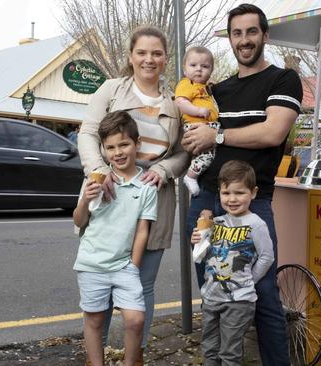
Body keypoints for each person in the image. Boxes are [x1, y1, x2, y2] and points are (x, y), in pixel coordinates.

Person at [181, 4, 303, 365]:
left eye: (251, 32)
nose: (244, 40)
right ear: (230, 38)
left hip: (253, 205)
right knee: (213, 293)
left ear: (265, 35)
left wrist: (215, 135)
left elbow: (273, 131)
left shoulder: (283, 80)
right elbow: (184, 118)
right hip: (205, 200)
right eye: (237, 33)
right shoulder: (217, 90)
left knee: (263, 295)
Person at [77, 26, 188, 364]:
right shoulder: (111, 89)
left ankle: (134, 355)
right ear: (131, 56)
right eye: (142, 52)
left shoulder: (175, 103)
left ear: (166, 59)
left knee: (142, 285)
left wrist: (165, 170)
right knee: (104, 278)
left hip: (152, 197)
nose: (149, 59)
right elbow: (87, 133)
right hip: (109, 196)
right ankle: (97, 353)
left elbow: (184, 152)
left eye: (156, 53)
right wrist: (99, 171)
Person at [73, 111, 156, 366]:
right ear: (103, 150)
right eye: (110, 147)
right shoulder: (95, 181)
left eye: (123, 144)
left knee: (135, 319)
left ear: (136, 144)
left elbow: (143, 230)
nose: (117, 152)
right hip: (91, 264)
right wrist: (86, 199)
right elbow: (79, 221)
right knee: (95, 319)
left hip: (124, 266)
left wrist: (133, 265)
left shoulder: (147, 186)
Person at [191, 160, 274, 366]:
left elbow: (267, 257)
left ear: (253, 193)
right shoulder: (216, 223)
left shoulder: (256, 224)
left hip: (238, 302)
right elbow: (200, 257)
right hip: (211, 298)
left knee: (229, 353)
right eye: (226, 193)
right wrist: (199, 241)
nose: (232, 199)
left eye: (239, 193)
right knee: (210, 349)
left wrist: (249, 281)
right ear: (219, 193)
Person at [174, 46, 219, 197]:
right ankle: (191, 176)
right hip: (195, 125)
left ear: (211, 70)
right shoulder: (187, 83)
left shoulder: (205, 87)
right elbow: (181, 102)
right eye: (193, 65)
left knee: (209, 153)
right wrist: (199, 111)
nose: (199, 69)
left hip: (208, 126)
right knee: (208, 156)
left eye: (204, 66)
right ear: (185, 69)